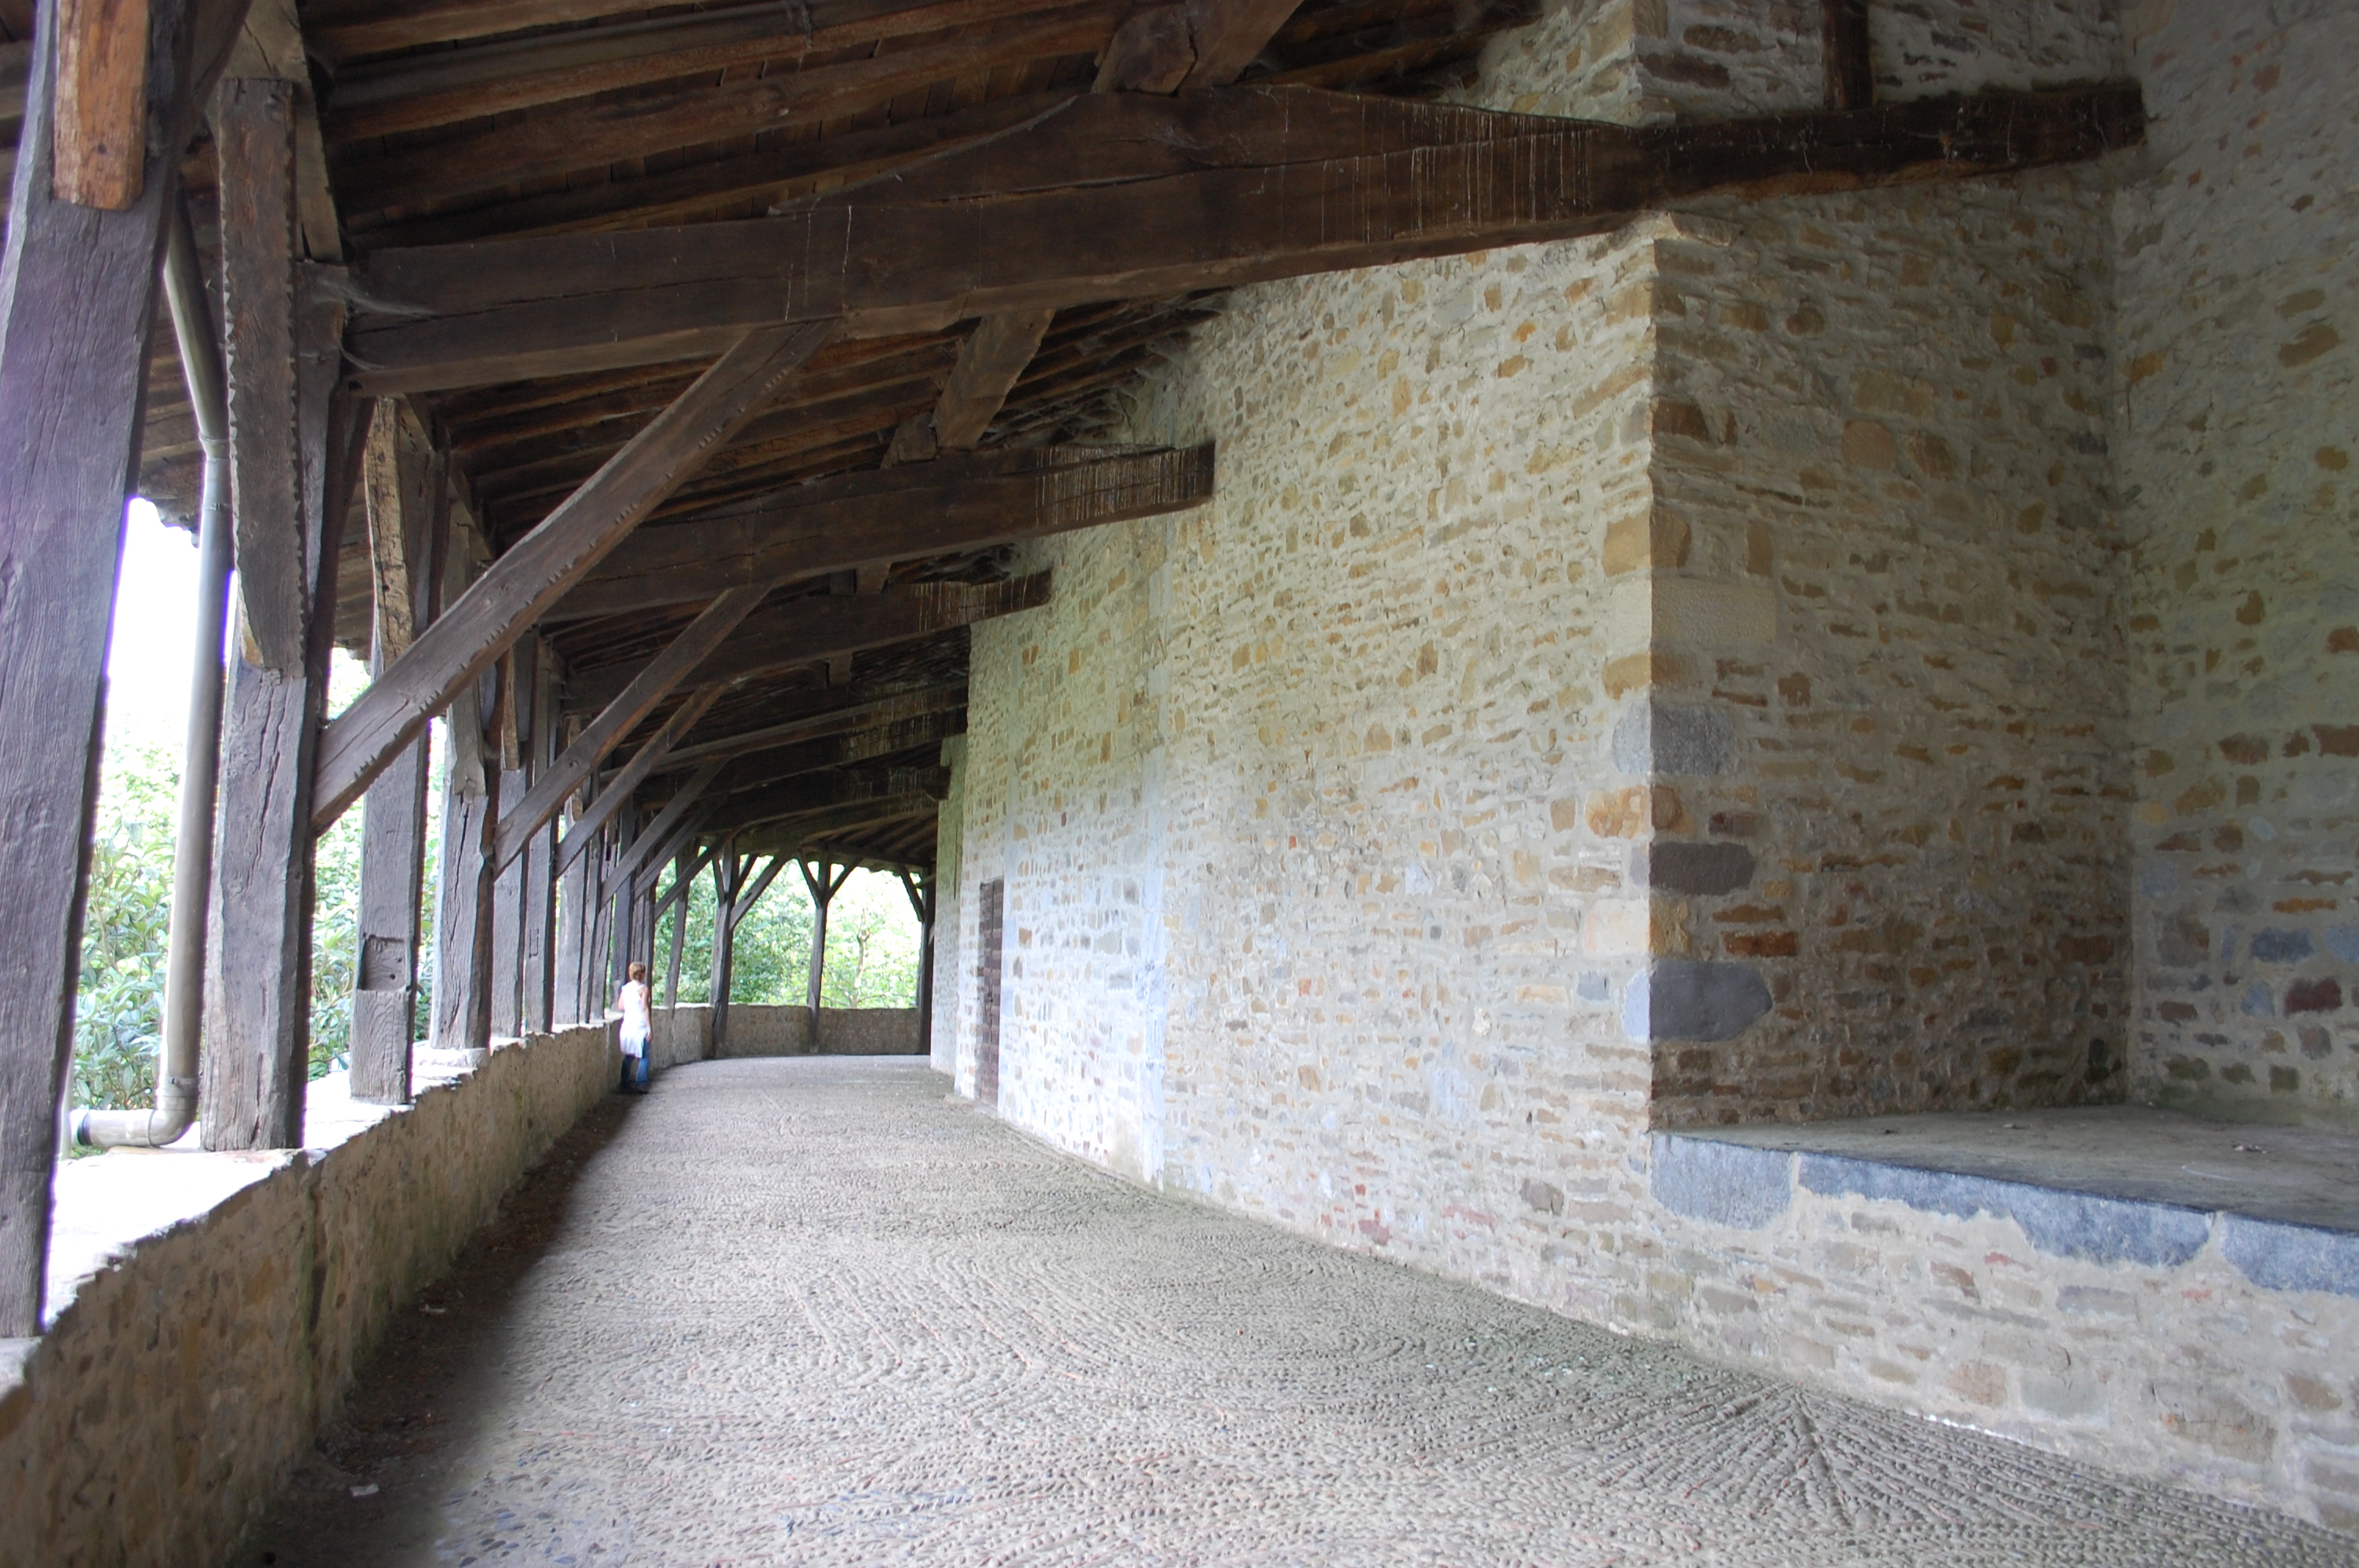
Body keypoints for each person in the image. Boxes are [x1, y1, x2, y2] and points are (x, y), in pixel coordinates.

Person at [616, 961, 652, 1094]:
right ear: (643, 974)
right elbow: (644, 1008)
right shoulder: (643, 989)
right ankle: (641, 1083)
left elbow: (620, 1006)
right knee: (644, 1055)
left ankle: (625, 1082)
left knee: (629, 1055)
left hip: (628, 1025)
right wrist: (649, 1028)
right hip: (640, 1025)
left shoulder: (625, 988)